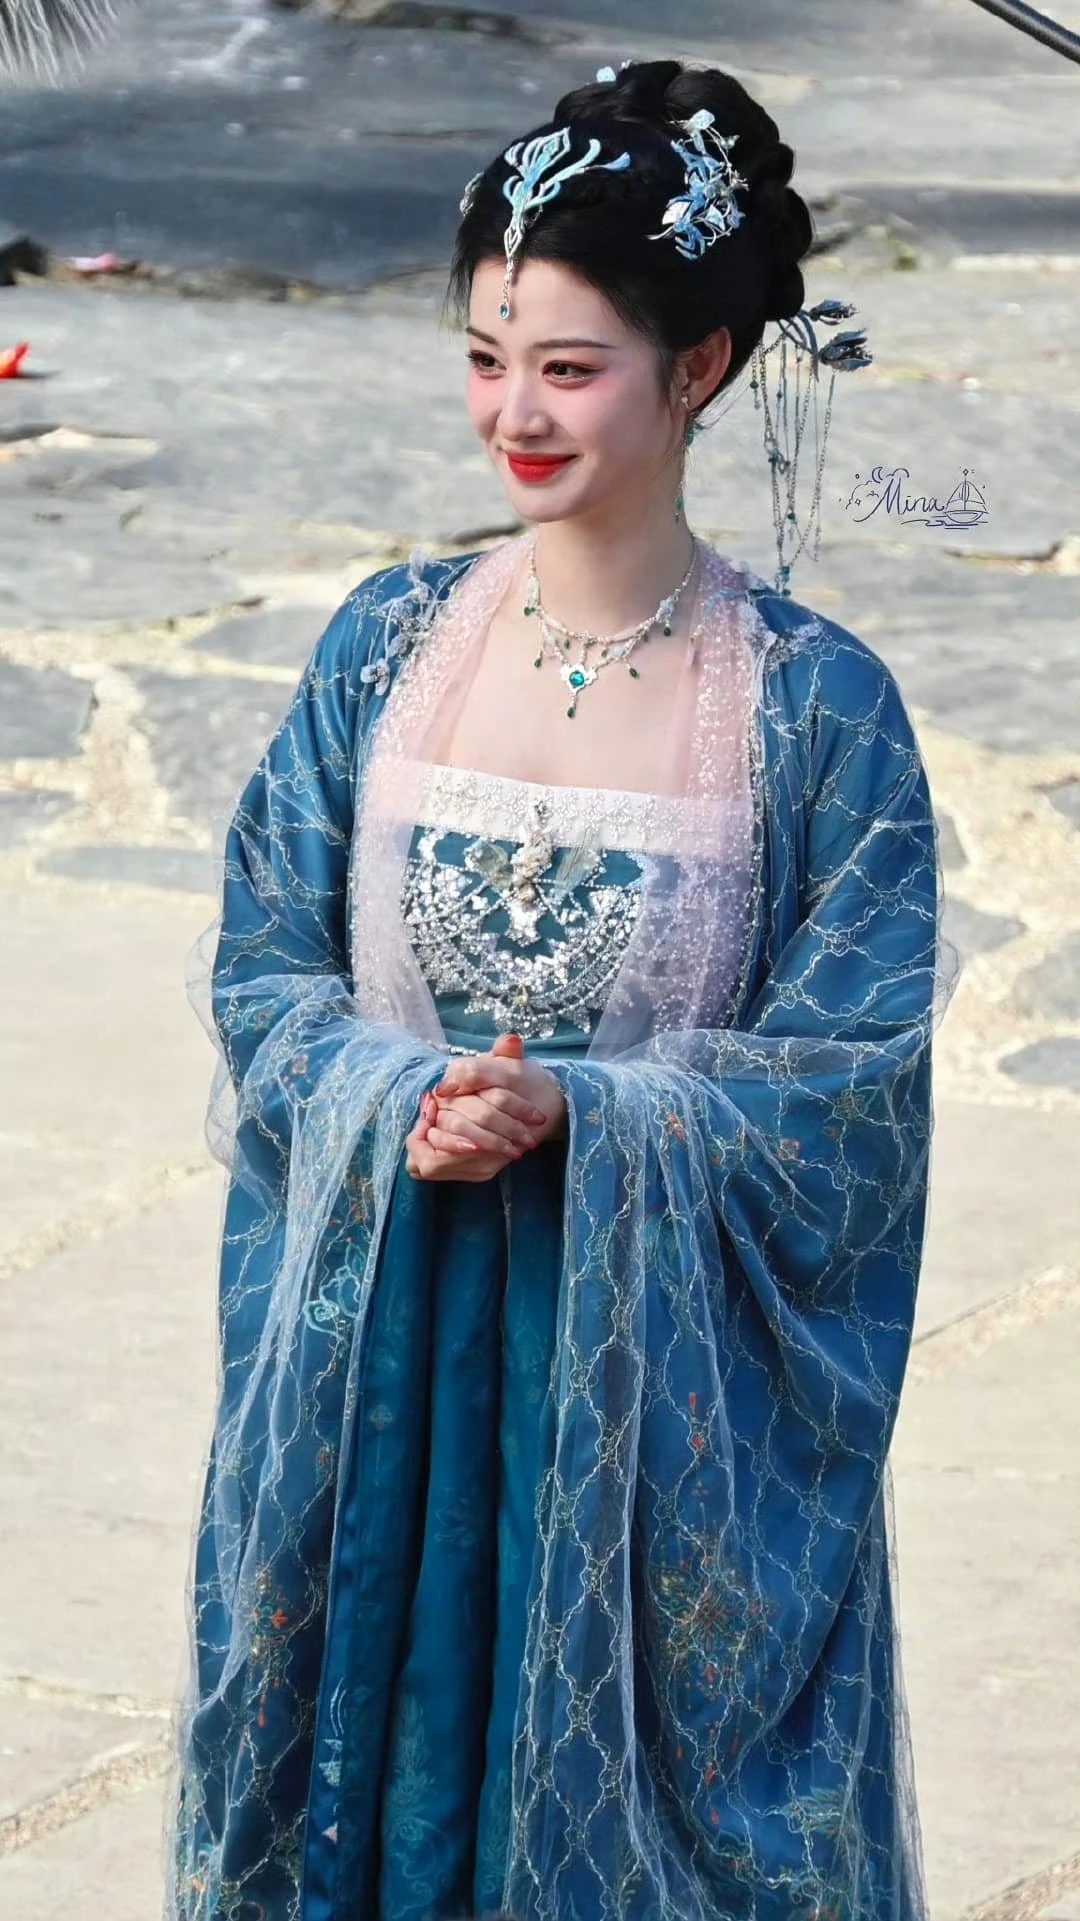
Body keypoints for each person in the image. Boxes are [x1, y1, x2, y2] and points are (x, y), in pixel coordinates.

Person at [169, 57, 950, 1921]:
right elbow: (264, 960)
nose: (513, 412)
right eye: (484, 356)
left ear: (701, 367)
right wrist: (394, 1094)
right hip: (379, 1352)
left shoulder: (815, 709)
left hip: (642, 1419)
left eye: (571, 366)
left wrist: (584, 1114)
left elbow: (848, 1081)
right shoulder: (383, 647)